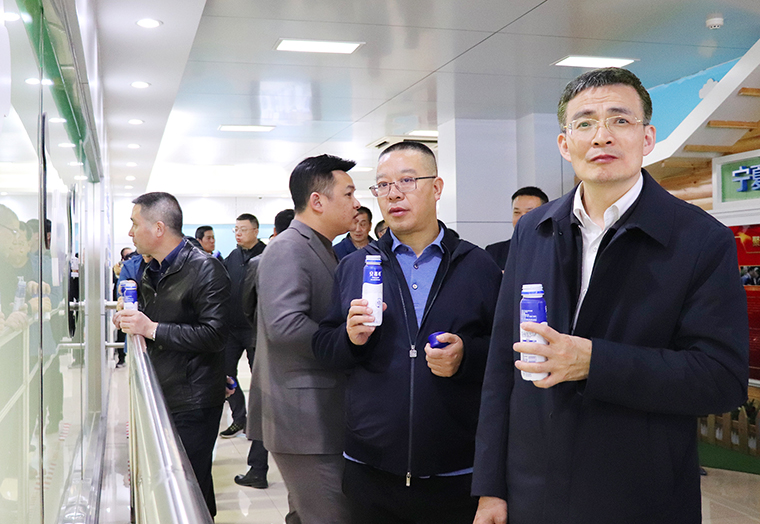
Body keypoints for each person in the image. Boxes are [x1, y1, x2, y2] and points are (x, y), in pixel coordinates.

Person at [471, 67, 749, 524]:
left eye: (620, 120)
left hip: (638, 495)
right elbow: (503, 363)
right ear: (565, 144)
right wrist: (490, 488)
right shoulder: (534, 230)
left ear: (647, 138)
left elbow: (721, 378)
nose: (602, 136)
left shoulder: (700, 240)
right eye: (584, 123)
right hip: (533, 491)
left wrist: (594, 362)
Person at [313, 141, 502, 523]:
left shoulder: (477, 265)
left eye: (407, 181)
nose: (393, 194)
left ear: (437, 188)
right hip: (371, 470)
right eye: (383, 185)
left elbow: (505, 353)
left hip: (455, 472)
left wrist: (466, 355)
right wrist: (350, 338)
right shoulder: (356, 265)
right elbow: (324, 345)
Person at [250, 154, 360, 523]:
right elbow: (285, 325)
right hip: (302, 418)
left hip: (316, 415)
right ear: (317, 201)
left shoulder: (319, 245)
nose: (356, 203)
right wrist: (347, 340)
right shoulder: (289, 247)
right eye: (348, 194)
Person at [113, 192, 230, 518]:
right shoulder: (150, 268)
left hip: (192, 399)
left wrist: (151, 328)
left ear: (158, 228)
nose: (130, 232)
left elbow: (215, 334)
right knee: (181, 485)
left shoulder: (205, 269)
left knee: (189, 487)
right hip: (162, 389)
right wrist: (129, 317)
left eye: (135, 224)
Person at [235, 208, 295, 489]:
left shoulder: (259, 261)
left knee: (264, 406)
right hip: (299, 348)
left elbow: (247, 305)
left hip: (266, 343)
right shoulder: (318, 257)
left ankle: (258, 469)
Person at [220, 214, 266, 439]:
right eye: (236, 229)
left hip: (255, 329)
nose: (238, 233)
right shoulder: (232, 256)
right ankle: (239, 418)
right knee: (225, 373)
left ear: (255, 231)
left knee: (259, 378)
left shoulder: (267, 255)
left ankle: (259, 425)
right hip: (231, 328)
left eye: (243, 229)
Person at [485, 187, 548, 270]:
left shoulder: (556, 250)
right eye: (517, 212)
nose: (522, 219)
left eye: (529, 213)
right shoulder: (494, 252)